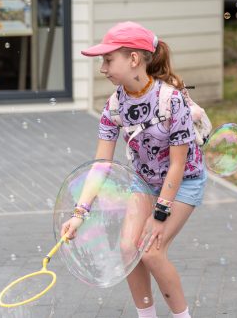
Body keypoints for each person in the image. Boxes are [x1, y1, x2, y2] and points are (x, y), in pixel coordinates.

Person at [61, 22, 204, 318]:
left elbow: (178, 163)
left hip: (183, 181)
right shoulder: (114, 106)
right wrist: (79, 215)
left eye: (108, 59)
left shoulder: (171, 100)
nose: (102, 68)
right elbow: (101, 164)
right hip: (144, 182)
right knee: (129, 248)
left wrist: (160, 214)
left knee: (150, 250)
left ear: (134, 59)